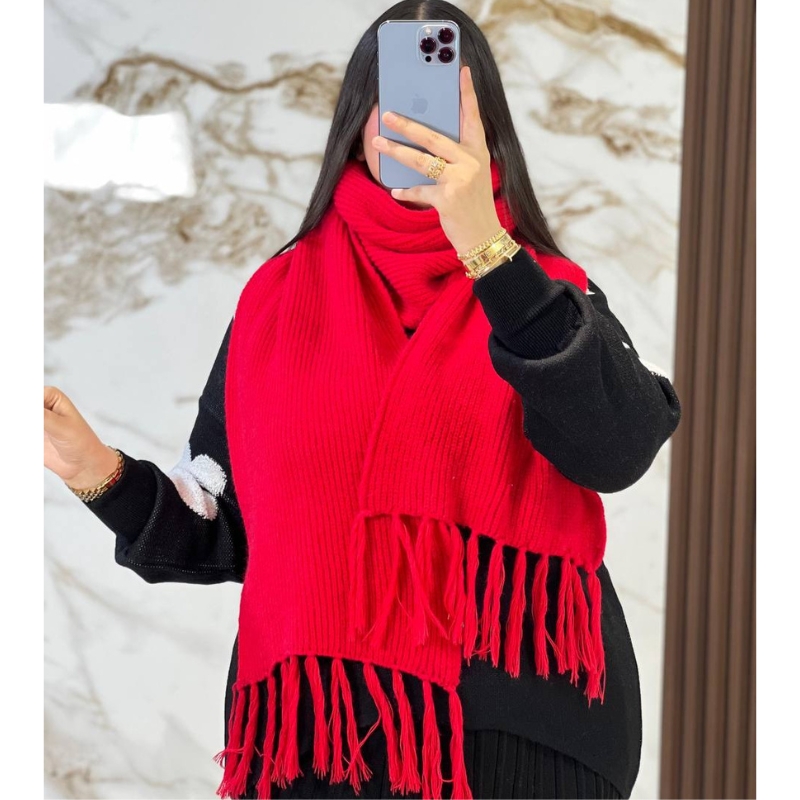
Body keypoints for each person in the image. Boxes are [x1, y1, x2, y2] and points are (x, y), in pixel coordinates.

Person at [43, 2, 682, 798]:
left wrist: (486, 245)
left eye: (444, 107)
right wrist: (97, 472)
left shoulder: (546, 292)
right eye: (397, 104)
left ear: (488, 132)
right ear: (357, 126)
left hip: (523, 747)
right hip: (318, 744)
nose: (418, 129)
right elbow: (223, 527)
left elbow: (618, 448)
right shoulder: (276, 303)